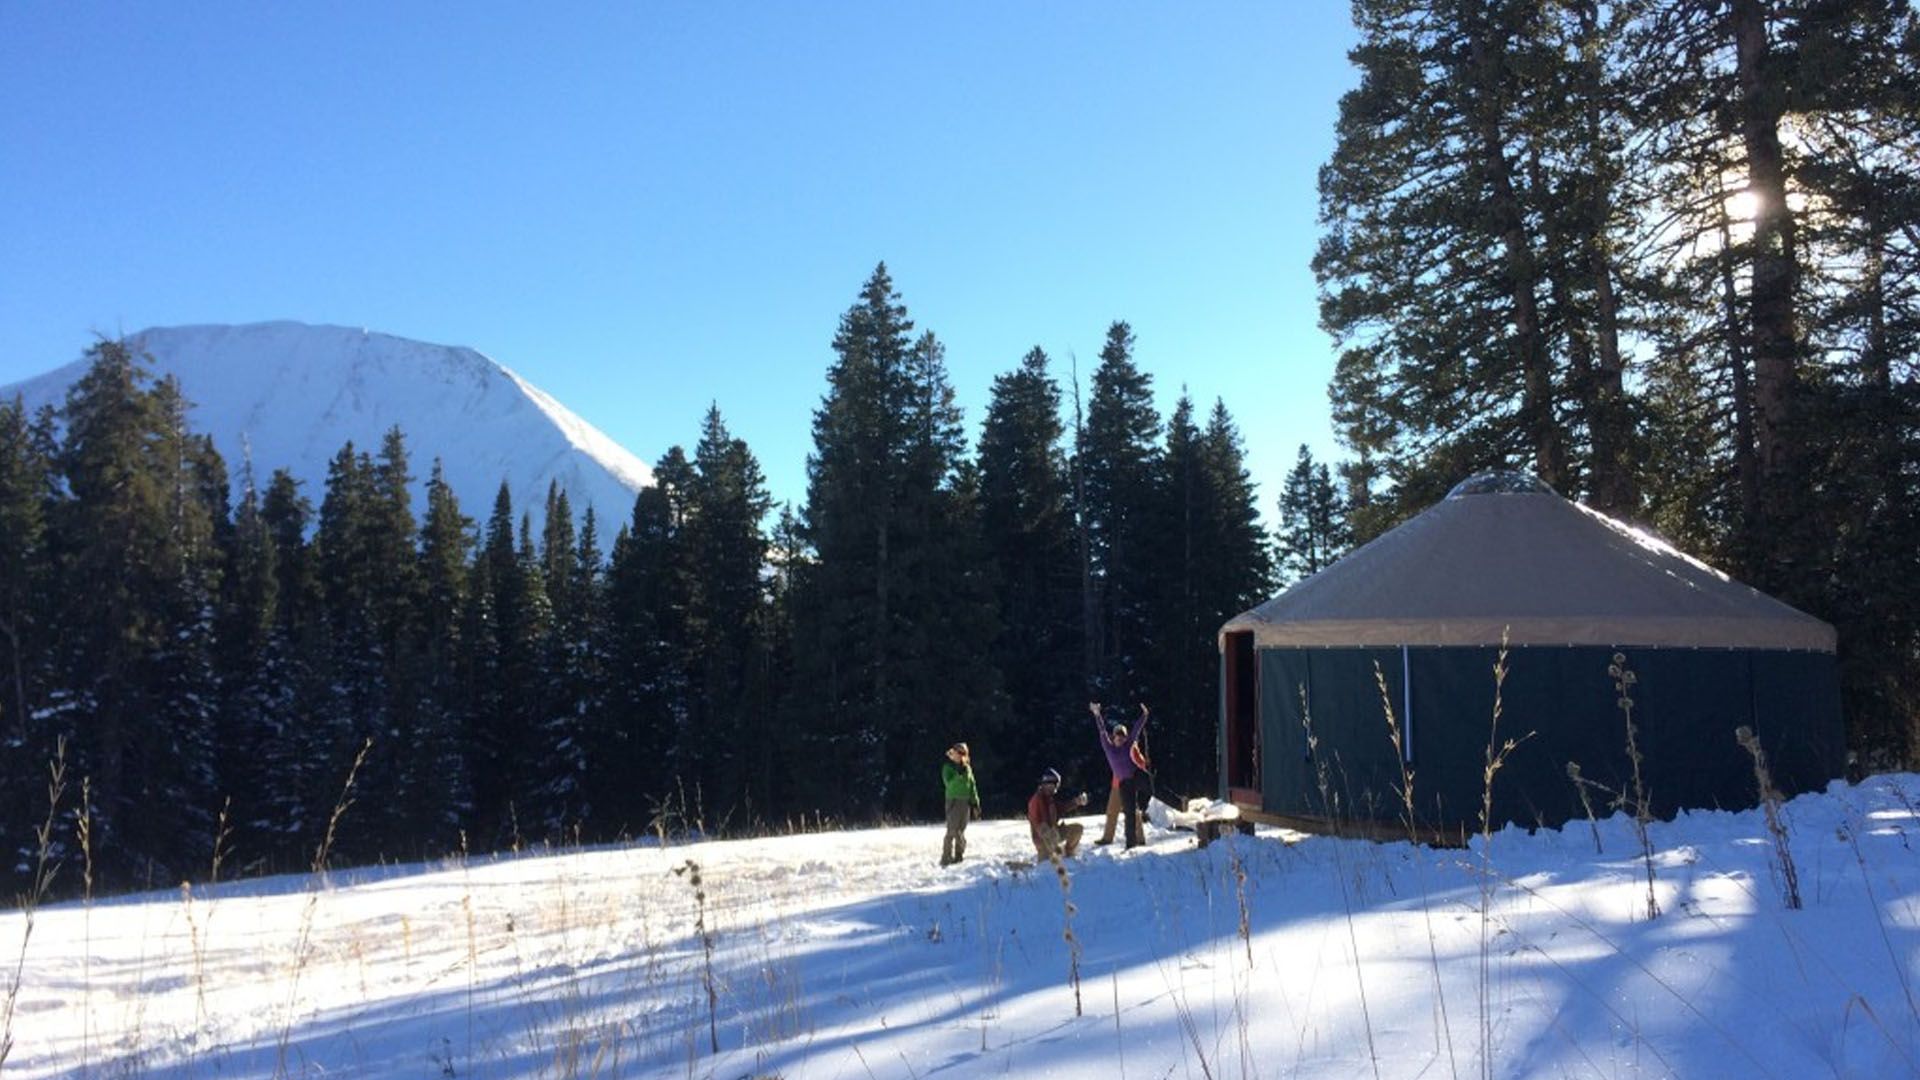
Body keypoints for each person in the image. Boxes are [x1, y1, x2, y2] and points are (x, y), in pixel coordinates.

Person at [1091, 702, 1151, 848]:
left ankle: (1140, 838)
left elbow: (1136, 730)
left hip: (1134, 778)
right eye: (1118, 735)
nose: (1120, 738)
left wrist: (1144, 715)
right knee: (1116, 812)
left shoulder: (1130, 745)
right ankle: (1111, 838)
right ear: (1113, 737)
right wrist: (1097, 715)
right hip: (1119, 784)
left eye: (1123, 735)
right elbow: (1102, 731)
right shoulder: (1109, 748)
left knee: (1134, 811)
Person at [1027, 767, 1089, 861]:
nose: (1055, 789)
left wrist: (1076, 802)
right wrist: (1050, 839)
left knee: (1077, 829)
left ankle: (1069, 853)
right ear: (1047, 784)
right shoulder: (1036, 801)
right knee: (1045, 865)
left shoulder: (1049, 799)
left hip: (1054, 834)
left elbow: (1061, 808)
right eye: (1054, 785)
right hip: (1043, 840)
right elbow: (1037, 824)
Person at [940, 742, 981, 866]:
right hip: (953, 800)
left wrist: (975, 803)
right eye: (959, 752)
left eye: (963, 753)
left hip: (965, 802)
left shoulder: (967, 768)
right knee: (951, 830)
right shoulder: (948, 767)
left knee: (961, 831)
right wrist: (959, 774)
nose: (961, 755)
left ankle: (959, 855)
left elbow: (972, 785)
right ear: (954, 753)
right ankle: (946, 857)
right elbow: (949, 783)